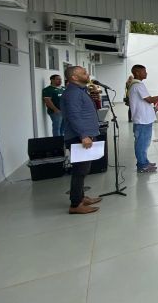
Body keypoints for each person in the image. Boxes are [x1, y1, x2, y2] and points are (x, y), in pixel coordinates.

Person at [60, 66, 103, 214]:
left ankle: (80, 197)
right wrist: (84, 135)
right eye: (84, 73)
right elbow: (73, 116)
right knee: (80, 171)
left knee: (83, 170)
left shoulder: (79, 90)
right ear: (74, 77)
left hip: (82, 135)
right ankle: (75, 204)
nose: (88, 74)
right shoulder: (72, 93)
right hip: (78, 137)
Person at [128, 64, 158, 173]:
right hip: (142, 120)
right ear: (137, 72)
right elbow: (150, 99)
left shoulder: (136, 84)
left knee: (144, 143)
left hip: (144, 118)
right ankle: (142, 165)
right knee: (141, 144)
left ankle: (145, 162)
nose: (146, 73)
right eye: (144, 71)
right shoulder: (138, 85)